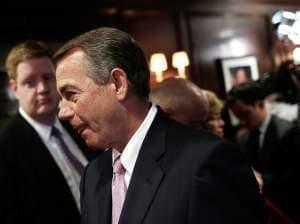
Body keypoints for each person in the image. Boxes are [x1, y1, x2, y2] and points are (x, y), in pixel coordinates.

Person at [54, 27, 265, 224]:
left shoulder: (206, 161)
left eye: (71, 95)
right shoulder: (94, 175)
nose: (62, 113)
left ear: (118, 84)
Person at [0, 40, 98, 224]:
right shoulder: (6, 147)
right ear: (15, 89)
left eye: (47, 77)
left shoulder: (79, 121)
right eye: (30, 82)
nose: (43, 89)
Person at [227, 81, 300, 223]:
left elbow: (295, 176)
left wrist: (262, 180)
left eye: (245, 114)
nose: (242, 121)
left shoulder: (288, 131)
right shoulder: (244, 137)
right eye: (238, 116)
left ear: (259, 104)